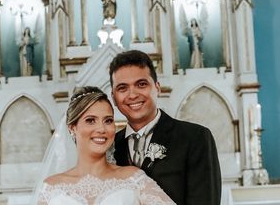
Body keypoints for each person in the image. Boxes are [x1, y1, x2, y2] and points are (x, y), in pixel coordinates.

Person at [110, 51, 221, 205]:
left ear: (157, 88)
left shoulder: (195, 138)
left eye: (141, 84)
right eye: (122, 88)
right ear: (114, 97)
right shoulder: (110, 147)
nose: (132, 95)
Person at [37, 86, 176, 205]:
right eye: (90, 120)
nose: (102, 129)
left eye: (108, 120)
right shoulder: (51, 188)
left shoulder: (133, 178)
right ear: (72, 128)